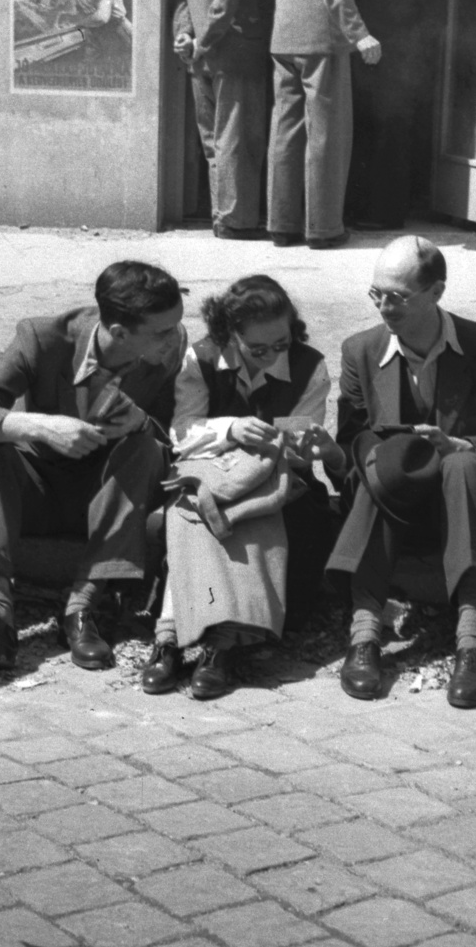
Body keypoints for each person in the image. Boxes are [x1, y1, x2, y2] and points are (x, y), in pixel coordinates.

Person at [0, 262, 186, 670]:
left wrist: (142, 421)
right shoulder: (42, 338)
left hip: (111, 497)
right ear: (120, 332)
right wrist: (40, 426)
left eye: (177, 324)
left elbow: (178, 437)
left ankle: (82, 609)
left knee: (143, 448)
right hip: (35, 490)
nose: (175, 338)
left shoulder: (167, 352)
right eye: (162, 331)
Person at [327, 236, 476, 708]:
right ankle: (363, 635)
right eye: (375, 294)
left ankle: (472, 641)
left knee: (461, 465)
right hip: (398, 508)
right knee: (376, 465)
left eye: (397, 296)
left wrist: (464, 446)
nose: (384, 306)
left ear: (436, 292)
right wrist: (348, 454)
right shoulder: (360, 350)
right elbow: (346, 446)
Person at [144, 275, 342, 698]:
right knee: (191, 513)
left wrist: (297, 446)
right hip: (212, 475)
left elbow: (302, 449)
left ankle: (223, 642)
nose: (271, 357)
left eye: (282, 344)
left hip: (283, 485)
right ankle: (171, 636)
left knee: (251, 516)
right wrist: (231, 429)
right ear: (229, 334)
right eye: (258, 349)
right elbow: (182, 432)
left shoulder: (311, 366)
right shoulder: (200, 358)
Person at [257, 0, 380, 249]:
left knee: (285, 128)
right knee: (327, 131)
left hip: (284, 25)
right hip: (318, 28)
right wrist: (359, 32)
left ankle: (281, 225)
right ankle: (323, 228)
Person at [173, 0, 274, 241]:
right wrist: (203, 42)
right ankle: (237, 221)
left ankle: (223, 216)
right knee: (238, 138)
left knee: (215, 140)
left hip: (203, 56)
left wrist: (186, 36)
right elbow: (224, 6)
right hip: (234, 54)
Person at [346, 0, 439, 230]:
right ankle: (359, 209)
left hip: (398, 67)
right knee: (365, 131)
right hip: (364, 58)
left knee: (391, 138)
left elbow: (427, 22)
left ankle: (385, 215)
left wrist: (405, 65)